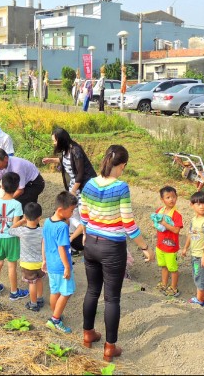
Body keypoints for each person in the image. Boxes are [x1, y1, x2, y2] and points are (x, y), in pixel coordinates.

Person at [80, 145, 152, 362]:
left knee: (92, 291)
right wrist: (145, 247)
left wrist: (86, 234)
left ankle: (87, 334)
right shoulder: (121, 187)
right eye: (123, 167)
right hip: (112, 248)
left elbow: (83, 214)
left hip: (91, 243)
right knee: (112, 298)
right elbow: (128, 224)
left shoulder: (89, 183)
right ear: (122, 165)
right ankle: (110, 347)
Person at [43, 127, 96, 256]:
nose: (54, 144)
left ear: (61, 140)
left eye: (55, 141)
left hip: (84, 189)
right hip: (75, 187)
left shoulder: (76, 150)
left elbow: (80, 175)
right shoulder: (66, 150)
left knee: (80, 215)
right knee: (73, 215)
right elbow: (65, 161)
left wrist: (71, 193)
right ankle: (74, 245)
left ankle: (86, 240)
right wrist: (51, 160)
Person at [0, 172, 29, 301]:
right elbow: (15, 225)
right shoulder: (17, 204)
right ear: (16, 188)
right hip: (11, 238)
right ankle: (14, 292)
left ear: (2, 186)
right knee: (12, 266)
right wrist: (23, 221)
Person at [43, 191, 78, 333]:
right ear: (60, 210)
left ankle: (55, 313)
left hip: (51, 264)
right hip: (60, 265)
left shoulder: (46, 221)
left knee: (55, 290)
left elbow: (44, 241)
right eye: (71, 211)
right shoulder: (62, 227)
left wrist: (44, 259)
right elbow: (62, 248)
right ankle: (55, 319)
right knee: (67, 292)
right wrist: (67, 267)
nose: (72, 213)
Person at [8, 202, 45, 312]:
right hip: (40, 262)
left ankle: (33, 304)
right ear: (39, 218)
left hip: (27, 264)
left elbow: (10, 230)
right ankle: (40, 298)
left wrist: (21, 221)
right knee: (39, 281)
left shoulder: (22, 231)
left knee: (32, 283)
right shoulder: (42, 231)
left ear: (25, 216)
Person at [180, 191, 204, 307]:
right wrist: (185, 247)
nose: (202, 206)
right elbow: (190, 234)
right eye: (198, 204)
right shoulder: (194, 220)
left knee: (200, 277)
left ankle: (199, 299)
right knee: (200, 277)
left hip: (201, 256)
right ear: (192, 205)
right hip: (195, 254)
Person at [151, 186, 184, 297]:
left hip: (171, 247)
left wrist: (165, 224)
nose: (171, 200)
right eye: (168, 197)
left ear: (177, 198)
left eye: (173, 197)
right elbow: (156, 222)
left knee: (173, 268)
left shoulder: (176, 215)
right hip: (160, 245)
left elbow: (176, 230)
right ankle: (164, 284)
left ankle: (174, 288)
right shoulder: (159, 211)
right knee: (164, 266)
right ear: (162, 199)